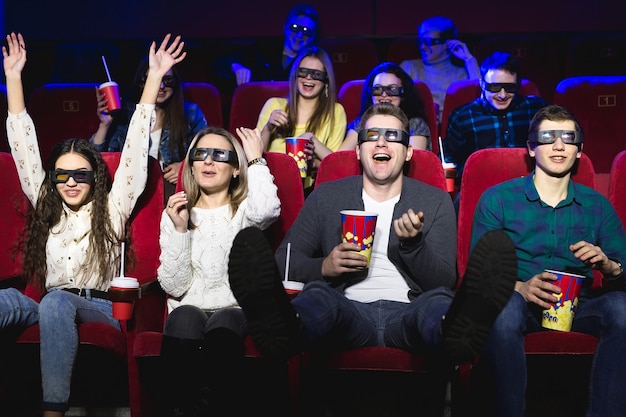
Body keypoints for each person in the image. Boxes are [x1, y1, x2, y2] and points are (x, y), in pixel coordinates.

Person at [228, 104, 518, 396]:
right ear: (358, 150)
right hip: (347, 308)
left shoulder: (434, 200)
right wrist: (324, 267)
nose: (381, 141)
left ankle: (456, 336)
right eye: (372, 134)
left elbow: (443, 280)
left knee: (438, 303)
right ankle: (284, 330)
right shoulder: (328, 195)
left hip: (408, 311)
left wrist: (413, 245)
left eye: (392, 136)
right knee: (320, 296)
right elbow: (284, 262)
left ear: (407, 152)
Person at [0, 32, 185, 417]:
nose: (70, 182)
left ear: (95, 179)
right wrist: (14, 78)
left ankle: (53, 410)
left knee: (53, 302)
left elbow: (135, 152)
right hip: (51, 305)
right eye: (63, 176)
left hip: (97, 306)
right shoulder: (48, 205)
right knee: (8, 302)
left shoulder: (112, 209)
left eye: (80, 176)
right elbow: (24, 149)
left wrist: (152, 79)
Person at [470, 105, 626, 417]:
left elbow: (622, 268)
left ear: (579, 150)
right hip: (518, 304)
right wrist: (520, 287)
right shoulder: (498, 198)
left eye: (568, 138)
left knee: (622, 307)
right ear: (531, 147)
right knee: (504, 305)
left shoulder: (597, 205)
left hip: (578, 306)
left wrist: (607, 265)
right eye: (548, 137)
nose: (558, 145)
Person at [156, 126, 280, 416]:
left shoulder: (247, 209)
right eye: (201, 154)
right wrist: (180, 229)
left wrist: (256, 160)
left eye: (219, 155)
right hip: (189, 307)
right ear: (192, 163)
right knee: (184, 315)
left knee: (224, 321)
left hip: (235, 307)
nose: (208, 161)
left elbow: (268, 211)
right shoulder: (176, 213)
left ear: (235, 169)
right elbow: (175, 286)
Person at [91, 56, 208, 199]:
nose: (161, 87)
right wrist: (104, 125)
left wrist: (186, 167)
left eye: (167, 80)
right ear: (141, 84)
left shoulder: (190, 113)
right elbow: (94, 160)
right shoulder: (125, 114)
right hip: (129, 192)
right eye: (155, 80)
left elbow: (206, 152)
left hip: (172, 192)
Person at [443, 51, 547, 188]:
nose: (502, 95)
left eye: (510, 88)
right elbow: (452, 161)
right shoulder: (463, 116)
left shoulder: (535, 109)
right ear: (482, 84)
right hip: (480, 188)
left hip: (529, 187)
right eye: (494, 87)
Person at [256, 45, 346, 191]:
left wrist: (312, 142)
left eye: (316, 74)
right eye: (303, 72)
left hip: (310, 191)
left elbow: (335, 164)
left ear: (326, 80)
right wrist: (268, 128)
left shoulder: (335, 112)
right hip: (270, 187)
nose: (308, 78)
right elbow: (255, 158)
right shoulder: (274, 105)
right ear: (295, 75)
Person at [400, 16, 480, 124]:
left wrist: (469, 59)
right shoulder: (409, 68)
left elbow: (481, 99)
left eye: (428, 41)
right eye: (420, 41)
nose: (422, 47)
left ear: (448, 43)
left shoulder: (461, 74)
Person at [339, 61, 431, 151]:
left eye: (392, 89)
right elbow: (339, 158)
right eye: (377, 89)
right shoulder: (361, 123)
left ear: (403, 93)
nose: (384, 95)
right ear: (370, 93)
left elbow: (416, 162)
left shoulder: (415, 124)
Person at [230, 3, 320, 85]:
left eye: (306, 31)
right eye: (295, 27)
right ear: (285, 28)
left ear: (313, 37)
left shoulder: (314, 61)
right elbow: (222, 62)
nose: (299, 35)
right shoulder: (262, 49)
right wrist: (236, 67)